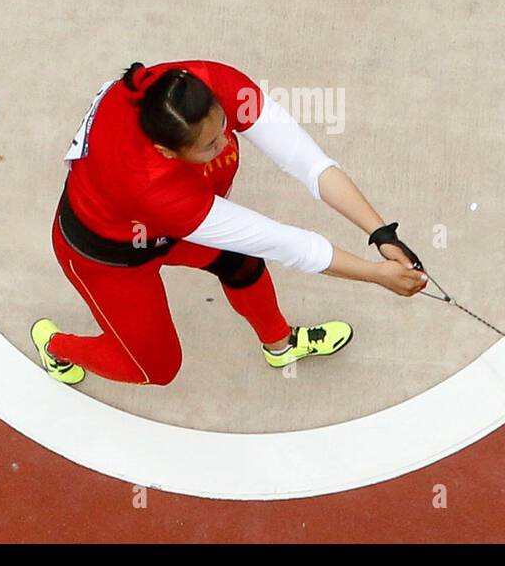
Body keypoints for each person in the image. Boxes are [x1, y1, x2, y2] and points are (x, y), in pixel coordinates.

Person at [31, 59, 427, 386]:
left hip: (173, 225)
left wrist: (382, 234)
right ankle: (55, 347)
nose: (226, 142)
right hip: (108, 256)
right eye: (209, 145)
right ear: (166, 152)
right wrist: (377, 276)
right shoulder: (151, 187)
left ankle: (280, 344)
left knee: (241, 262)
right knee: (154, 369)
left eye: (224, 125)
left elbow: (309, 164)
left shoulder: (207, 85)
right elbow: (287, 244)